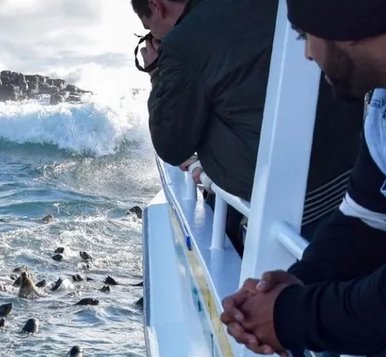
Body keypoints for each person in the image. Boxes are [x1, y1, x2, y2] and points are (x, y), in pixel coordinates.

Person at [220, 0, 386, 357]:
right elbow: (369, 221)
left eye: (306, 33)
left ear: (345, 25)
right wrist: (300, 279)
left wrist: (290, 317)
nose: (307, 54)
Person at [133, 0, 363, 248]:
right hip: (353, 169)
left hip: (291, 204)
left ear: (157, 6)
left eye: (150, 28)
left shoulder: (183, 44)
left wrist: (157, 72)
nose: (155, 37)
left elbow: (171, 146)